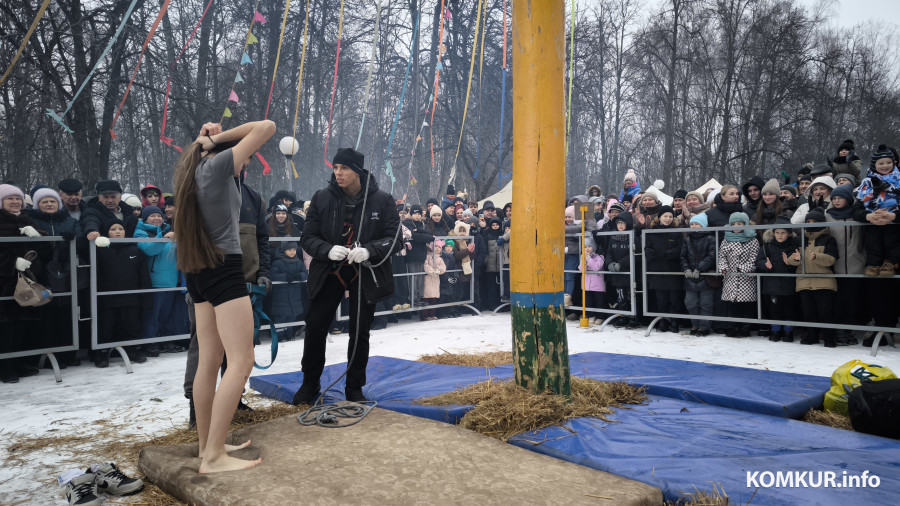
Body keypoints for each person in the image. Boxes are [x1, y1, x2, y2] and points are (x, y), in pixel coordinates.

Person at [174, 119, 275, 473]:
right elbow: (266, 127)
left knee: (210, 359)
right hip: (223, 267)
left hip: (199, 271)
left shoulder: (198, 170)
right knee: (241, 359)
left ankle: (207, 445)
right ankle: (214, 455)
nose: (247, 161)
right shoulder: (216, 166)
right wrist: (214, 139)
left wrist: (206, 139)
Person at [294, 147, 400, 405]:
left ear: (358, 171)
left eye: (345, 168)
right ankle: (309, 383)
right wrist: (327, 249)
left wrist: (370, 251)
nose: (338, 173)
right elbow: (307, 237)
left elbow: (394, 238)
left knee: (360, 331)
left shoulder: (382, 199)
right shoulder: (321, 197)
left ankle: (354, 387)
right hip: (329, 271)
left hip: (366, 273)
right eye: (336, 168)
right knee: (316, 327)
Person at [26, 187, 84, 366]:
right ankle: (47, 355)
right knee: (46, 315)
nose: (49, 204)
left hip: (65, 273)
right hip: (40, 273)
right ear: (37, 204)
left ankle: (68, 353)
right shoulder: (31, 220)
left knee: (66, 314)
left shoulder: (67, 220)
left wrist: (71, 241)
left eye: (52, 201)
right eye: (45, 202)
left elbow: (80, 239)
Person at [0, 184, 50, 383]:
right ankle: (5, 367)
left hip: (27, 281)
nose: (15, 202)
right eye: (9, 199)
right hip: (4, 282)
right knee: (5, 327)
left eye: (18, 198)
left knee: (22, 325)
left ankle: (19, 362)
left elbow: (48, 251)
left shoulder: (27, 220)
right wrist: (12, 263)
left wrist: (39, 237)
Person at [93, 220, 153, 367]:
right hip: (106, 298)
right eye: (113, 229)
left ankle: (134, 350)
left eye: (121, 228)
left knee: (131, 325)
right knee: (105, 327)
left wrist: (145, 297)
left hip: (131, 297)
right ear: (107, 232)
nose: (118, 231)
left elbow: (143, 275)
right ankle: (101, 353)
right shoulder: (99, 250)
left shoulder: (135, 250)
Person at [785, 208, 839, 348]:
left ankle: (829, 338)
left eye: (814, 221)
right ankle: (812, 336)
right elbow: (791, 260)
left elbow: (831, 259)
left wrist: (817, 257)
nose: (811, 224)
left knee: (826, 311)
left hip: (824, 280)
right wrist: (795, 259)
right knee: (808, 312)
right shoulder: (799, 239)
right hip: (804, 281)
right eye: (808, 221)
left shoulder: (828, 239)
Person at [133, 205, 181, 355]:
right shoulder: (140, 232)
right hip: (154, 281)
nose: (157, 218)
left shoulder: (170, 230)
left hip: (172, 280)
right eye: (152, 216)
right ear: (145, 218)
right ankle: (150, 342)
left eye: (159, 216)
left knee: (167, 315)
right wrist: (163, 238)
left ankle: (166, 340)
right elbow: (148, 249)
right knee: (152, 315)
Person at [825, 185, 866, 345]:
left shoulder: (857, 215)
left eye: (839, 198)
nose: (836, 201)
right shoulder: (827, 215)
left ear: (848, 199)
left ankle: (848, 330)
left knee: (852, 300)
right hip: (835, 265)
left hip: (857, 263)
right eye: (833, 198)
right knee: (837, 301)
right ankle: (838, 331)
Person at [755, 215, 799, 342]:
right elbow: (758, 260)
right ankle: (775, 331)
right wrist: (764, 264)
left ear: (789, 234)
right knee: (774, 309)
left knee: (789, 309)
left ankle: (788, 332)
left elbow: (798, 264)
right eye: (777, 232)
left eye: (783, 233)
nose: (779, 235)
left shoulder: (794, 246)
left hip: (789, 284)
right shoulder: (767, 246)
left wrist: (791, 262)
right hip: (772, 285)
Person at [718, 212, 759, 337]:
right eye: (733, 224)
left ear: (745, 224)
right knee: (733, 304)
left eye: (739, 224)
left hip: (746, 278)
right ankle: (733, 325)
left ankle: (745, 326)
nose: (736, 226)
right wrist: (723, 268)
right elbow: (722, 257)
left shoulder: (752, 240)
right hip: (730, 276)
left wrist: (743, 268)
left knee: (746, 305)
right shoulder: (726, 240)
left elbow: (754, 259)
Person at [644, 206, 683, 333]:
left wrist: (667, 254)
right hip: (657, 269)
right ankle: (663, 320)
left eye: (670, 216)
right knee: (661, 299)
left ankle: (675, 321)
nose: (668, 219)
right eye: (665, 216)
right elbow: (647, 248)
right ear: (659, 217)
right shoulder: (652, 231)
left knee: (674, 298)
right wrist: (652, 255)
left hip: (672, 269)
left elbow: (680, 248)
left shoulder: (677, 231)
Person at [680, 214, 716, 336]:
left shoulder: (711, 239)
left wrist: (699, 268)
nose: (694, 226)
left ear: (704, 225)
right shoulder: (687, 240)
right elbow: (683, 256)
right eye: (692, 224)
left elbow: (711, 256)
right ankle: (695, 324)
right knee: (690, 303)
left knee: (706, 303)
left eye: (697, 224)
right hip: (690, 277)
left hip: (705, 276)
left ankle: (704, 327)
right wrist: (686, 269)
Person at [270, 241, 308, 341]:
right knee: (281, 316)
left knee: (292, 315)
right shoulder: (277, 262)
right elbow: (273, 275)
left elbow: (305, 273)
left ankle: (289, 334)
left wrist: (299, 276)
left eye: (294, 249)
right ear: (283, 250)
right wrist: (286, 277)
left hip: (295, 293)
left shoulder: (298, 262)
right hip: (281, 295)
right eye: (289, 250)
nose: (292, 252)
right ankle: (280, 335)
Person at [578, 236, 605, 325]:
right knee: (588, 302)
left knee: (599, 302)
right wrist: (584, 260)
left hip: (597, 285)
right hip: (586, 284)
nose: (587, 249)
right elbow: (582, 270)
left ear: (593, 247)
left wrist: (589, 259)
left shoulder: (599, 257)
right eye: (585, 247)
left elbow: (596, 267)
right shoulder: (583, 257)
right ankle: (591, 315)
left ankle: (600, 316)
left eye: (589, 246)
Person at [422, 241, 446, 320]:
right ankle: (425, 315)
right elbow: (425, 265)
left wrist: (439, 270)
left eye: (439, 247)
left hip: (436, 280)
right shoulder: (428, 256)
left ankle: (433, 314)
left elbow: (443, 267)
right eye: (436, 246)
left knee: (434, 298)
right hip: (428, 279)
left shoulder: (440, 259)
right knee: (426, 297)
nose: (437, 249)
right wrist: (431, 270)